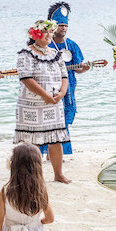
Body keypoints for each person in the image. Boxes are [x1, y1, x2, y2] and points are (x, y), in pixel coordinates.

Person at [15, 19, 71, 183]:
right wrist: (44, 95)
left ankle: (58, 174)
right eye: (46, 32)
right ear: (36, 34)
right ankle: (31, 176)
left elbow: (64, 76)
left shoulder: (56, 54)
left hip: (54, 103)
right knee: (31, 143)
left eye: (50, 32)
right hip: (31, 105)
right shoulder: (25, 53)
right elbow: (26, 78)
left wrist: (61, 93)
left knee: (56, 139)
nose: (49, 35)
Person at [40, 2, 89, 156]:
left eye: (65, 25)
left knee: (65, 119)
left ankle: (58, 153)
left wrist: (84, 68)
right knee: (49, 119)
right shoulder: (45, 44)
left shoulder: (72, 45)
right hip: (49, 88)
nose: (63, 28)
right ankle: (47, 151)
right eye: (60, 25)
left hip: (68, 89)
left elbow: (78, 67)